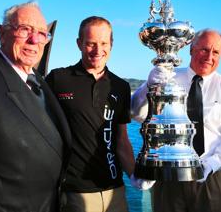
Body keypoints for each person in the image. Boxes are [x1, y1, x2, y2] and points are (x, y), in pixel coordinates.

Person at [131, 29, 221, 212]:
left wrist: (211, 164)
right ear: (191, 49)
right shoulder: (167, 78)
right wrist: (148, 86)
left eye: (215, 52)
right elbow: (136, 113)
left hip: (213, 178)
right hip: (169, 176)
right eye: (204, 49)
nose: (209, 56)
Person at [46, 16, 151, 212]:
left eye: (103, 43)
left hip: (115, 191)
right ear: (79, 43)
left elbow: (121, 140)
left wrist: (135, 176)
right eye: (90, 43)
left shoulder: (120, 86)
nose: (97, 50)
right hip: (74, 193)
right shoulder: (58, 79)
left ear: (111, 44)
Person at [0, 1, 72, 212]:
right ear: (2, 33)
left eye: (42, 33)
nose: (35, 40)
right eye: (25, 29)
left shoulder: (39, 81)